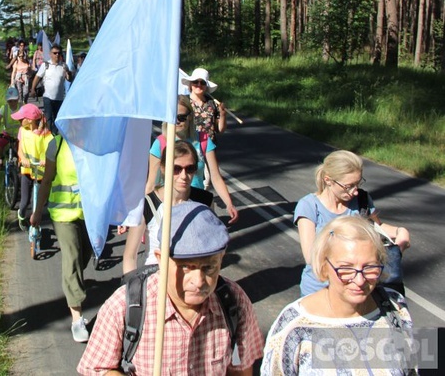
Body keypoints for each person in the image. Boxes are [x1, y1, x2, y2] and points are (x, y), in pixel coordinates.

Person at [78, 202, 264, 375]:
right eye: (186, 267)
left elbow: (242, 368)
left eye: (209, 267)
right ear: (160, 259)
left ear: (221, 258)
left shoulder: (234, 301)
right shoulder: (125, 306)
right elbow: (95, 368)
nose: (198, 281)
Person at [261, 216, 415, 375]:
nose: (360, 280)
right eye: (346, 269)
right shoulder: (294, 326)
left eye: (370, 267)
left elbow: (410, 368)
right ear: (324, 267)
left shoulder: (395, 306)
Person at [294, 150, 410, 297]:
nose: (355, 192)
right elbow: (311, 258)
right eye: (349, 186)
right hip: (321, 291)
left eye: (358, 184)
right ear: (328, 180)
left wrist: (400, 232)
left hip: (357, 289)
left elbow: (376, 227)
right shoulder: (309, 206)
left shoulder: (361, 200)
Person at [30, 134, 93, 343]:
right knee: (73, 258)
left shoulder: (94, 140)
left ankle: (70, 281)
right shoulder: (55, 145)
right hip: (63, 215)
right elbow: (46, 180)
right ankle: (77, 319)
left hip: (89, 214)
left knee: (84, 255)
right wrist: (38, 211)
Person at [145, 96, 238, 224]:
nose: (177, 121)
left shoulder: (203, 140)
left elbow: (215, 176)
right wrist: (142, 216)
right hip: (168, 204)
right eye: (173, 117)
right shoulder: (160, 143)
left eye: (181, 117)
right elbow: (151, 183)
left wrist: (229, 203)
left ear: (190, 116)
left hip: (196, 201)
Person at [122, 140, 206, 274]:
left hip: (191, 278)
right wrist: (133, 288)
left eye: (189, 169)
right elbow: (130, 257)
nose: (183, 176)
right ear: (163, 168)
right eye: (176, 169)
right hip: (155, 277)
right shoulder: (147, 204)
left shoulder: (204, 201)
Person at [11, 103, 52, 228]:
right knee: (24, 202)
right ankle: (21, 216)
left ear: (29, 120)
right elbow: (20, 149)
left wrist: (46, 160)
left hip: (40, 172)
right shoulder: (22, 131)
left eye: (21, 119)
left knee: (37, 202)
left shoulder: (44, 133)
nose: (19, 121)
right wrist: (23, 158)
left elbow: (50, 148)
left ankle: (35, 224)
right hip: (27, 171)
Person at [30, 45, 71, 135]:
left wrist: (68, 72)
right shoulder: (46, 65)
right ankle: (50, 135)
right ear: (50, 54)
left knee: (57, 118)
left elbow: (69, 79)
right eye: (55, 53)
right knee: (48, 118)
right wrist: (32, 89)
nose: (57, 55)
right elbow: (37, 77)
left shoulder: (64, 66)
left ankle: (55, 134)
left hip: (59, 98)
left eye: (59, 53)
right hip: (47, 97)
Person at [0, 87, 21, 170]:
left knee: (21, 152)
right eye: (10, 101)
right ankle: (0, 157)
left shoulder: (22, 107)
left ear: (18, 99)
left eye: (14, 100)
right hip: (7, 134)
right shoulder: (4, 108)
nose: (12, 103)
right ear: (7, 101)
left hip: (20, 134)